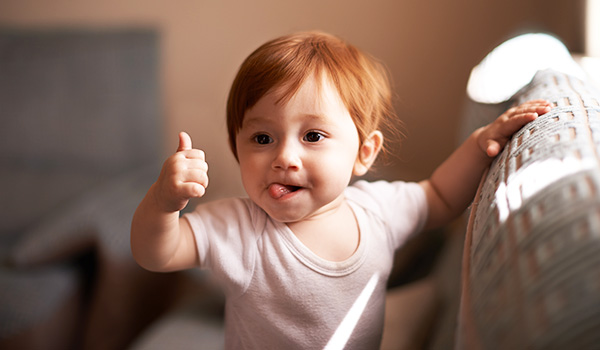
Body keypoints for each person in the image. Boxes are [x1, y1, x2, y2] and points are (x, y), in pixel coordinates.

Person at [131, 31, 552, 349]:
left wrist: (481, 146)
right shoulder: (239, 227)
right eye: (262, 139)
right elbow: (157, 253)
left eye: (313, 135)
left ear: (363, 154)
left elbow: (439, 197)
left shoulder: (377, 210)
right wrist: (164, 203)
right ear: (236, 150)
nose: (285, 157)